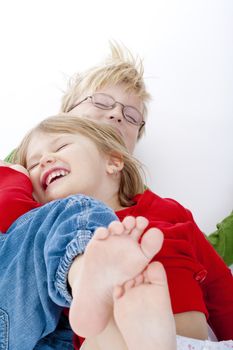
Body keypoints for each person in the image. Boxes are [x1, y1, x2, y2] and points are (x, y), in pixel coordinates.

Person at [1, 115, 233, 347]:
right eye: (32, 165)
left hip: (184, 340)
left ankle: (148, 336)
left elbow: (219, 284)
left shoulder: (167, 211)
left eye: (61, 146)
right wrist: (13, 176)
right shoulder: (50, 234)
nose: (44, 161)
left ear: (113, 161)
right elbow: (13, 236)